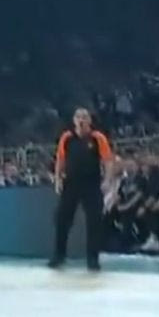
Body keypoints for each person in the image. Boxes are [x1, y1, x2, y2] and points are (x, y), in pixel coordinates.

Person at [49, 107, 113, 271]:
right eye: (78, 117)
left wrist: (107, 180)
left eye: (84, 117)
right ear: (74, 120)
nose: (81, 120)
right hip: (71, 183)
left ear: (90, 120)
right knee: (62, 219)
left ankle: (93, 259)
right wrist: (58, 179)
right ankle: (59, 255)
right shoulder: (67, 138)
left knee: (94, 220)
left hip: (91, 184)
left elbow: (107, 161)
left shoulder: (98, 138)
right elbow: (60, 160)